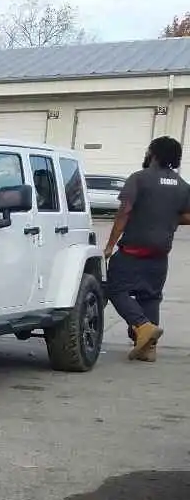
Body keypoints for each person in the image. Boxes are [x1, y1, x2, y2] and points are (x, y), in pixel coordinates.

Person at [101, 135, 190, 362]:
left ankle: (142, 326)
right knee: (150, 297)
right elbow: (187, 216)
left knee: (115, 289)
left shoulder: (139, 179)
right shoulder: (182, 186)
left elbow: (125, 211)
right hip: (160, 255)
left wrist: (110, 245)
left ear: (154, 154)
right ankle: (148, 349)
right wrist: (167, 219)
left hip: (133, 252)